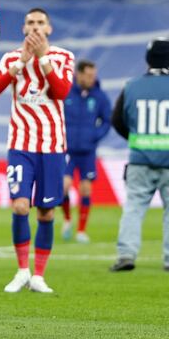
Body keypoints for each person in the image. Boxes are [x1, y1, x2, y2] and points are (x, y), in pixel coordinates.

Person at [0, 8, 74, 294]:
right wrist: (21, 63)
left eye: (40, 23)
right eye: (30, 23)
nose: (35, 27)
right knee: (20, 206)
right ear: (24, 28)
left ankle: (39, 275)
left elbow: (61, 92)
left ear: (49, 29)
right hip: (21, 145)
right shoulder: (11, 57)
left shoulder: (63, 57)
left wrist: (42, 59)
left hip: (51, 146)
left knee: (47, 212)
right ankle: (23, 270)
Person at [109, 38, 169, 273]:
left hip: (140, 158)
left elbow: (117, 120)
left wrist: (135, 138)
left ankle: (126, 255)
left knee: (134, 208)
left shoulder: (131, 86)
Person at [61, 59, 111, 243]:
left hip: (88, 150)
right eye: (88, 75)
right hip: (67, 149)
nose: (92, 79)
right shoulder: (66, 92)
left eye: (93, 76)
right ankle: (67, 219)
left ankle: (81, 230)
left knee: (86, 189)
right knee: (63, 186)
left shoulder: (100, 96)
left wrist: (95, 135)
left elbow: (107, 120)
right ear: (79, 74)